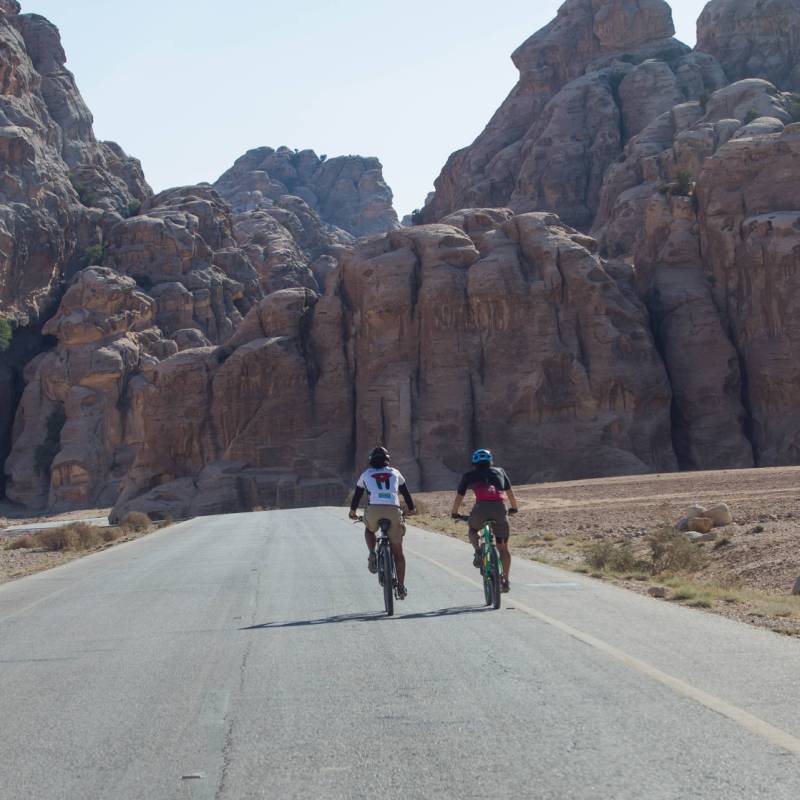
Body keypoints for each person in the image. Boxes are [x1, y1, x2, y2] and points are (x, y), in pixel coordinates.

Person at [349, 446, 416, 599]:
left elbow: (357, 495)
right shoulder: (395, 472)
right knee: (398, 553)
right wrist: (411, 509)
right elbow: (406, 493)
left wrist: (352, 512)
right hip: (393, 510)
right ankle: (401, 586)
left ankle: (372, 553)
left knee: (369, 529)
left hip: (374, 510)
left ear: (371, 460)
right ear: (387, 460)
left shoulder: (366, 474)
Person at [451, 449, 518, 593]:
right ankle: (505, 580)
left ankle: (477, 552)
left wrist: (455, 513)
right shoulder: (500, 471)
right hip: (500, 509)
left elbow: (459, 496)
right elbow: (509, 491)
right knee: (503, 548)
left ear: (474, 462)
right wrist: (514, 508)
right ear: (490, 460)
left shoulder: (469, 475)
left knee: (473, 529)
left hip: (480, 509)